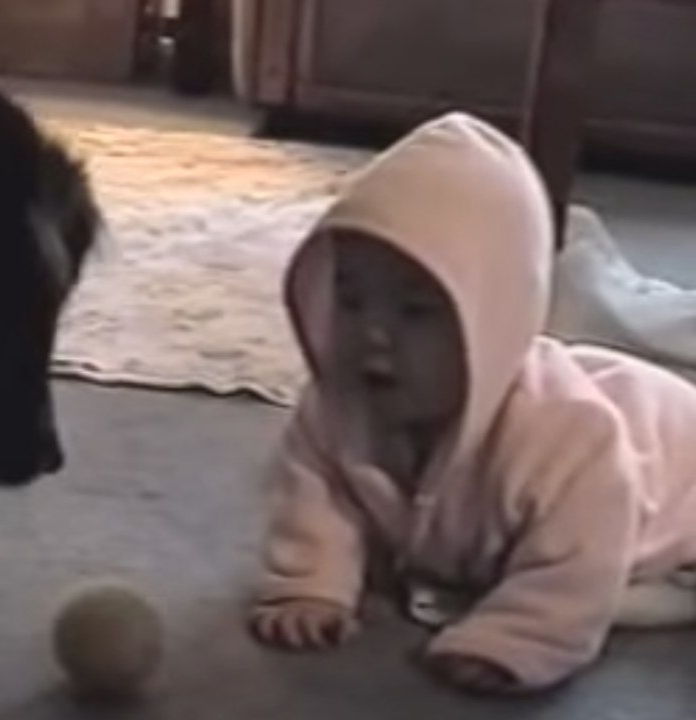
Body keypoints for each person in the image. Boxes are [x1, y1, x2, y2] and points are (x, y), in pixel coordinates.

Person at [249, 112, 696, 694]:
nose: (373, 333)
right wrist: (312, 583)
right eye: (352, 299)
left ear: (491, 317)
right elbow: (318, 497)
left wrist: (516, 636)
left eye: (415, 311)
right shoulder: (335, 411)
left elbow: (577, 559)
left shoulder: (568, 436)